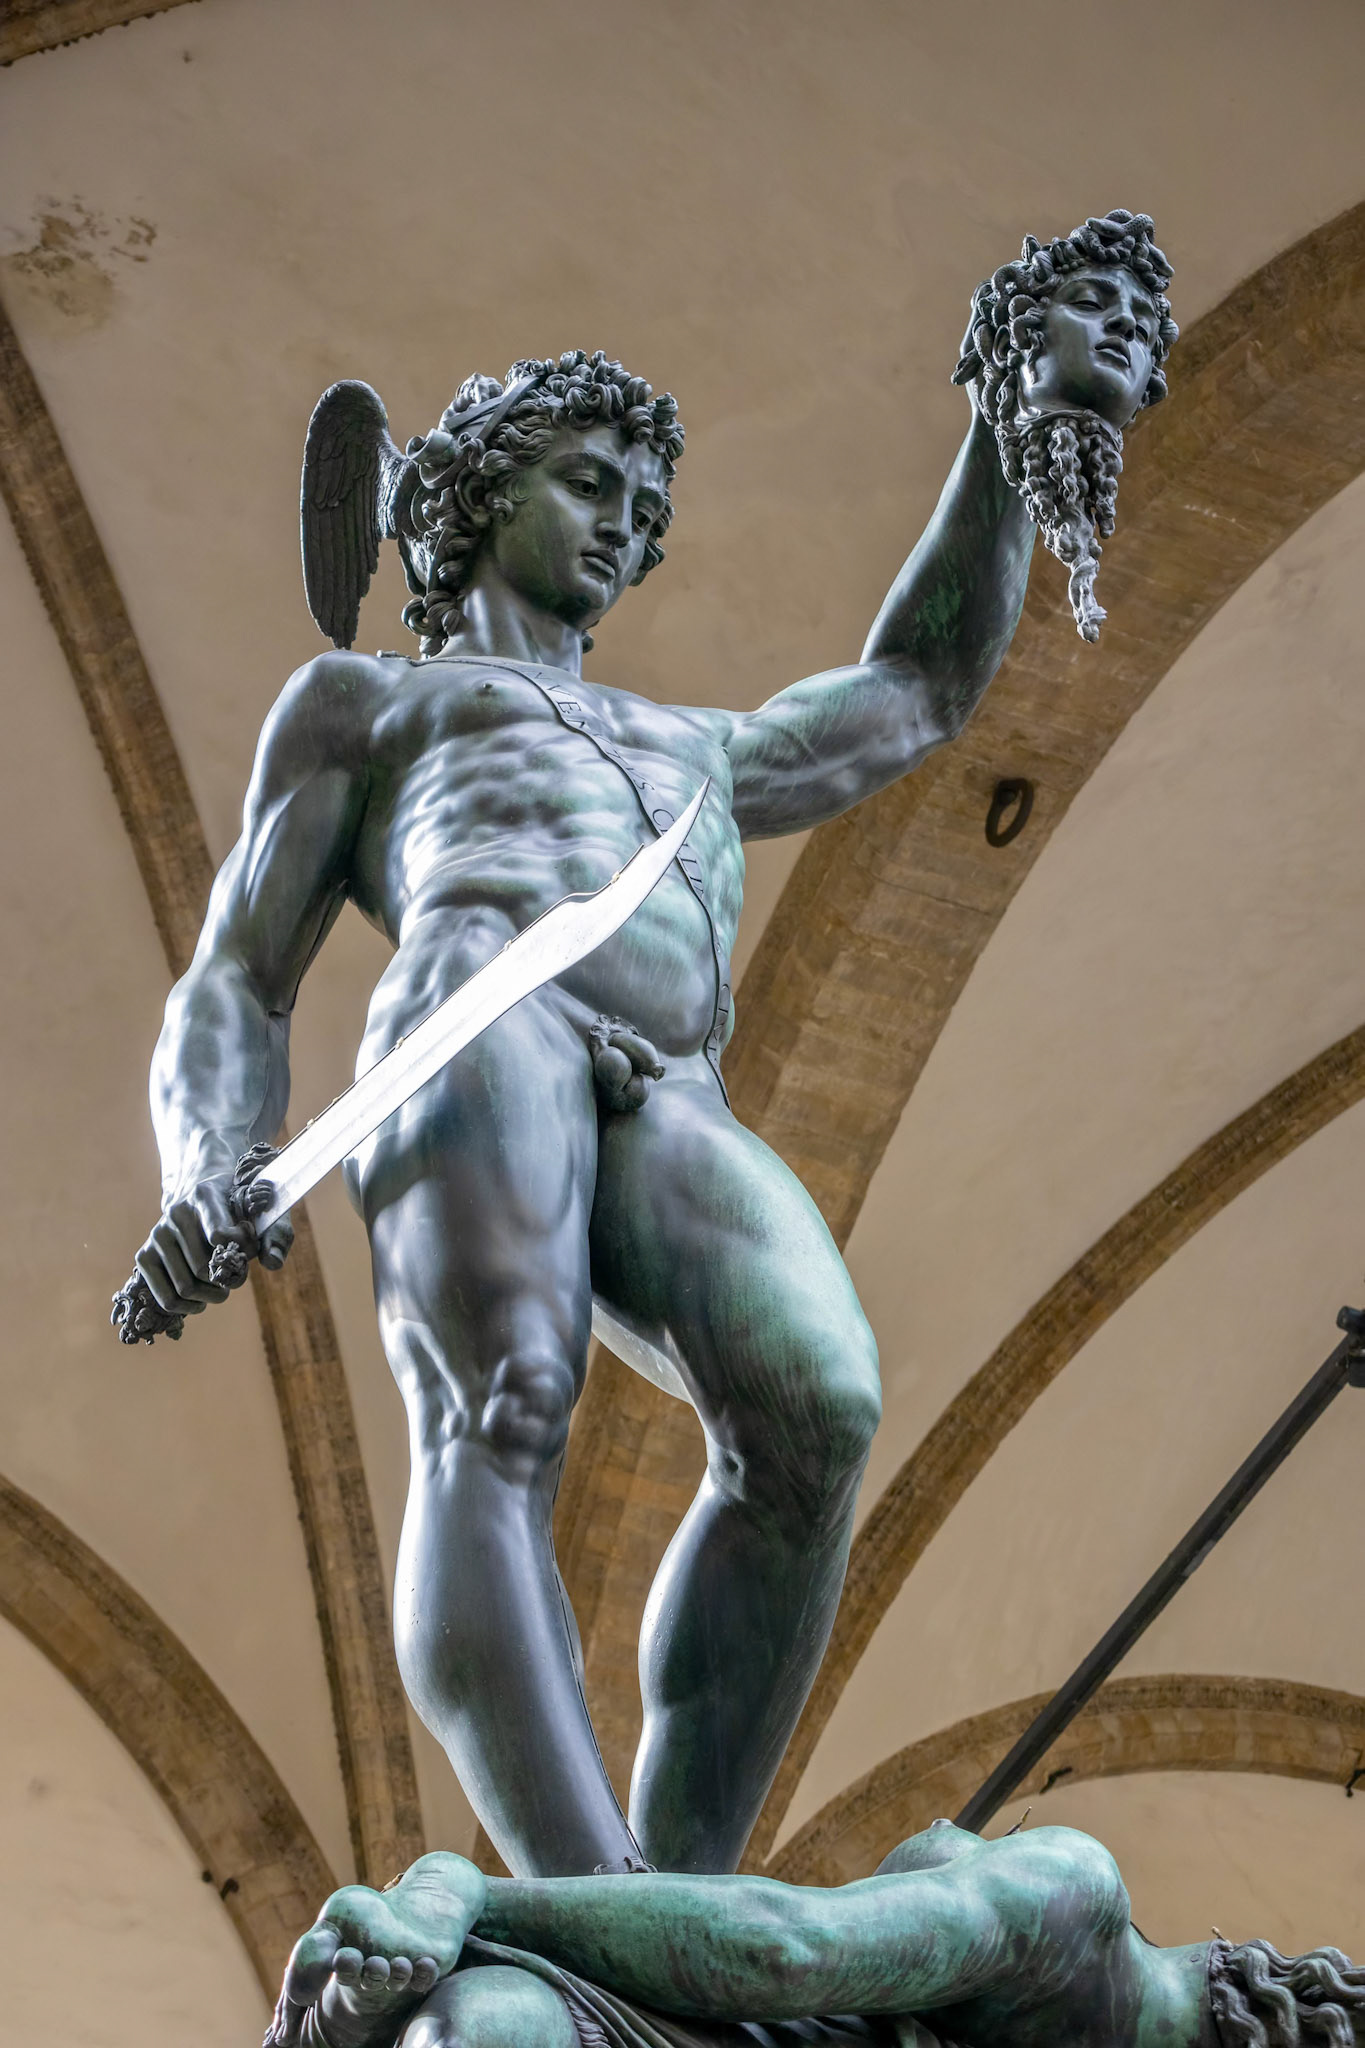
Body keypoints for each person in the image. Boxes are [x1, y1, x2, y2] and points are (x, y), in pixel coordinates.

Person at [126, 209, 1173, 1880]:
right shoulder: (373, 707)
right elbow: (234, 981)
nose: (628, 519)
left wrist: (999, 419)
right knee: (507, 1400)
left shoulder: (699, 744)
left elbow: (917, 688)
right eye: (590, 480)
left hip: (671, 1086)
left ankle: (678, 1909)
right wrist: (207, 1158)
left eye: (645, 501)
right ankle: (585, 1891)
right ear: (471, 497)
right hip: (483, 1018)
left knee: (818, 1408)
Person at [263, 1821, 1365, 2048]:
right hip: (717, 2028)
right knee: (477, 2041)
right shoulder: (1069, 1905)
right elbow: (780, 1946)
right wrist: (475, 1899)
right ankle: (442, 1915)